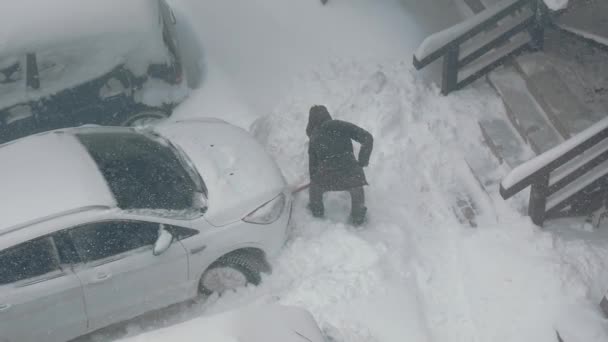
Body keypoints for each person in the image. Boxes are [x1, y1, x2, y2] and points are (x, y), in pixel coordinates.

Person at [306, 105, 373, 226]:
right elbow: (368, 138)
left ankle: (317, 218)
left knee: (314, 188)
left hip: (327, 178)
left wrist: (315, 180)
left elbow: (313, 169)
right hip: (352, 176)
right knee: (357, 187)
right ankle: (358, 220)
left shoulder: (314, 136)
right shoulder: (340, 125)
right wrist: (362, 162)